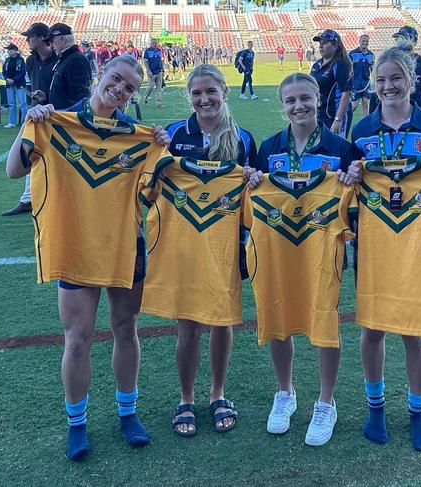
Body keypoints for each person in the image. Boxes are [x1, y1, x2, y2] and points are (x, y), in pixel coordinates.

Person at [5, 55, 171, 461]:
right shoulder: (56, 122)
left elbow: (154, 192)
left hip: (123, 247)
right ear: (101, 75)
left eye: (130, 87)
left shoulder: (139, 137)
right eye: (117, 79)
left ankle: (127, 413)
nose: (121, 89)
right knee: (77, 339)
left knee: (126, 328)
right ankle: (76, 423)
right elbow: (14, 169)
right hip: (75, 245)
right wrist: (33, 120)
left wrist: (160, 145)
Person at [351, 46, 421, 452]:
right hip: (375, 245)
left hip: (420, 246)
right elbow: (352, 189)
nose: (388, 86)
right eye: (380, 80)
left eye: (396, 78)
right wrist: (351, 174)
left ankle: (418, 411)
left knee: (414, 332)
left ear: (412, 81)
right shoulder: (361, 130)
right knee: (373, 328)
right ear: (373, 84)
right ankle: (376, 407)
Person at [246, 72, 360, 447]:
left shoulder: (341, 147)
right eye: (291, 100)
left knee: (324, 319)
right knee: (279, 315)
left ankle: (326, 402)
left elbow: (355, 203)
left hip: (322, 248)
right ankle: (286, 392)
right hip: (279, 248)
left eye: (305, 98)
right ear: (283, 105)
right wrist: (251, 178)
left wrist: (350, 178)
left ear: (317, 100)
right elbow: (257, 189)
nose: (299, 106)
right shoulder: (268, 147)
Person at [161, 64, 258, 437]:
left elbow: (258, 194)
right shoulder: (171, 134)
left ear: (224, 93)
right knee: (187, 325)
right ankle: (186, 398)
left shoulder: (244, 139)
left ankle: (218, 393)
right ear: (189, 97)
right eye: (197, 93)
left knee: (222, 321)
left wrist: (252, 179)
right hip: (183, 243)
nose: (204, 99)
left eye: (211, 92)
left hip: (226, 245)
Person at [2, 22, 58, 217]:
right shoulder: (30, 61)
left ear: (42, 37)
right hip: (37, 113)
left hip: (57, 114)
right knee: (32, 153)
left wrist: (48, 97)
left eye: (30, 36)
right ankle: (28, 198)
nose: (27, 40)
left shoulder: (59, 58)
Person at [369, 26, 421, 114]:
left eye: (405, 38)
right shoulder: (388, 64)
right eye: (398, 38)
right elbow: (376, 95)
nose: (400, 41)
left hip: (418, 119)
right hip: (389, 119)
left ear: (414, 41)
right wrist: (371, 120)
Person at [39, 23, 91, 110]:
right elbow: (65, 94)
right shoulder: (66, 58)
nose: (51, 46)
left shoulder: (76, 59)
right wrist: (47, 98)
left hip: (67, 121)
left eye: (52, 41)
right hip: (62, 118)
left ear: (62, 39)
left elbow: (80, 99)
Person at [310, 29, 352, 138]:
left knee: (336, 149)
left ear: (335, 46)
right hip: (320, 113)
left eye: (324, 43)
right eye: (320, 43)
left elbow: (346, 94)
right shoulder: (317, 64)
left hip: (335, 114)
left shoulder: (340, 65)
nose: (320, 46)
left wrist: (337, 120)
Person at [348, 34, 374, 120]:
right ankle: (344, 118)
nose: (365, 43)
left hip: (366, 84)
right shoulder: (352, 54)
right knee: (354, 105)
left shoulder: (371, 55)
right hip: (355, 84)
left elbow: (373, 68)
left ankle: (364, 125)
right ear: (359, 42)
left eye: (366, 41)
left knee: (366, 103)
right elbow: (347, 69)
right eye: (363, 41)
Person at [2, 43, 28, 128]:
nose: (9, 51)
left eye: (10, 50)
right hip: (9, 85)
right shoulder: (7, 60)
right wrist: (7, 79)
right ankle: (12, 122)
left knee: (23, 104)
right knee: (11, 104)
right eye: (8, 50)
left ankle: (26, 121)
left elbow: (22, 73)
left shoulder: (20, 60)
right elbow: (4, 71)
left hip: (19, 84)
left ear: (15, 50)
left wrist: (13, 80)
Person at [143, 38, 163, 108]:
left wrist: (162, 68)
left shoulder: (159, 50)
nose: (155, 44)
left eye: (156, 43)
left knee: (159, 88)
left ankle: (159, 103)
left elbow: (160, 60)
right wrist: (148, 70)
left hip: (159, 71)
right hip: (151, 71)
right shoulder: (147, 51)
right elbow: (145, 61)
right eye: (154, 43)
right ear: (151, 43)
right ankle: (145, 98)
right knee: (151, 86)